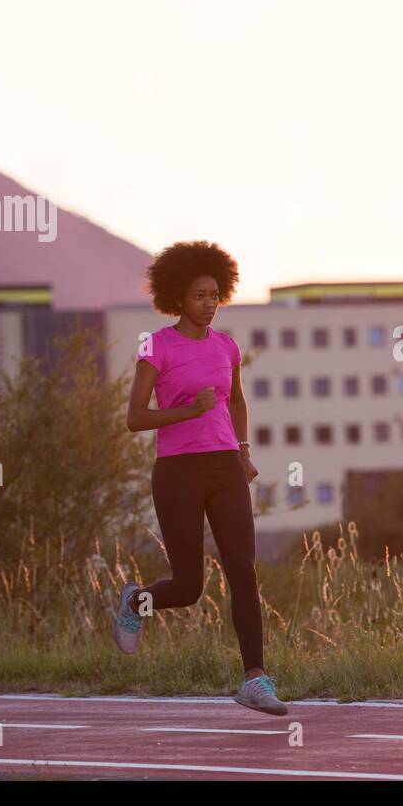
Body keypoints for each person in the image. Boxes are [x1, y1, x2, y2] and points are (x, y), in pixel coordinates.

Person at [112, 239, 287, 716]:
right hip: (178, 471)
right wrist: (188, 410)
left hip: (225, 466)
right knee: (189, 587)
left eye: (214, 295)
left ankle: (255, 679)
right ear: (177, 297)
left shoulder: (227, 346)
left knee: (243, 572)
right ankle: (137, 602)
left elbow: (236, 400)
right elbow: (134, 417)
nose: (208, 304)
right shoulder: (157, 346)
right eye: (198, 296)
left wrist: (243, 449)